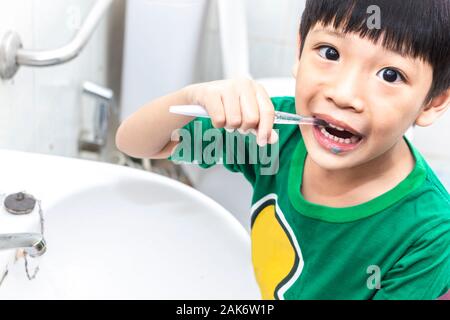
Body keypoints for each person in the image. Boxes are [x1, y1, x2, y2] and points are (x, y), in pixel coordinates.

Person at [115, 0, 450, 300]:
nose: (344, 94)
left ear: (433, 103)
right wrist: (191, 97)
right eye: (329, 53)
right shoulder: (274, 136)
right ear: (299, 50)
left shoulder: (430, 233)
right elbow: (135, 143)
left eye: (390, 75)